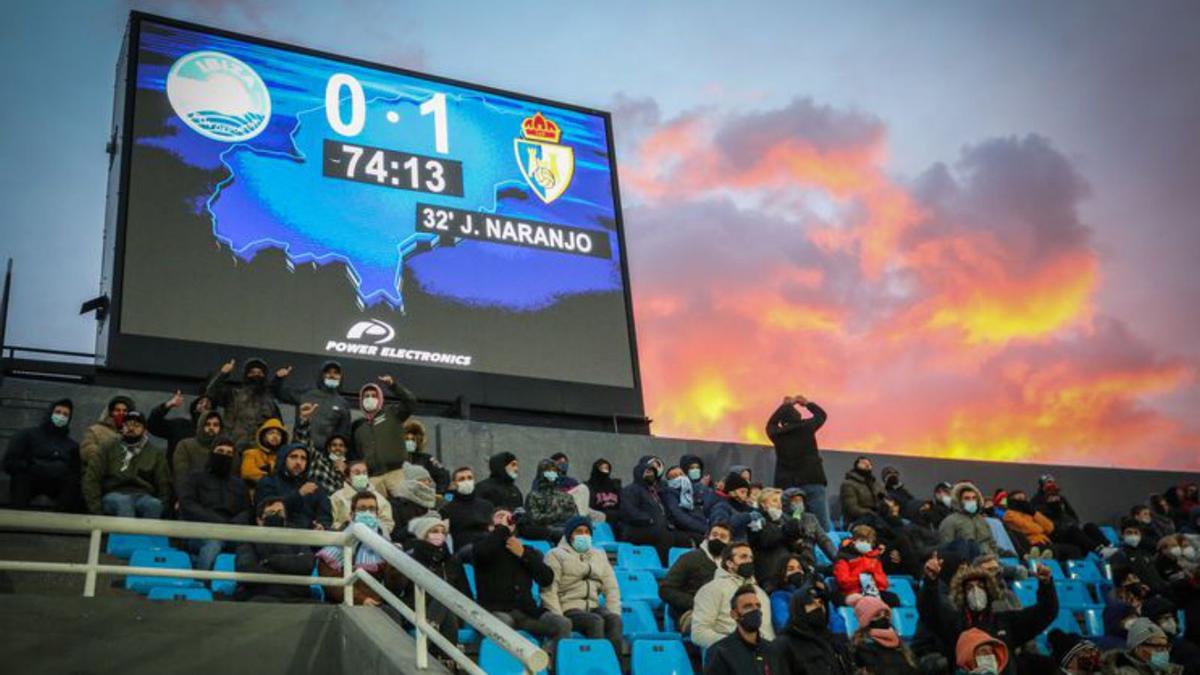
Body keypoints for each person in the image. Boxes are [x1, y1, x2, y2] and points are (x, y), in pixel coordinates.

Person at [919, 555, 1058, 667]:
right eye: (969, 588)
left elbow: (1045, 612)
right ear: (962, 593)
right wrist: (930, 582)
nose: (975, 591)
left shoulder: (1006, 621)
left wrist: (1046, 585)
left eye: (980, 586)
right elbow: (929, 611)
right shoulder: (954, 622)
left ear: (989, 590)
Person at [474, 507, 572, 656]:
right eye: (500, 517)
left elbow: (546, 579)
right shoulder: (481, 546)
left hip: (527, 612)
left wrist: (523, 554)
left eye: (509, 518)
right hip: (497, 610)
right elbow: (483, 553)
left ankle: (548, 664)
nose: (505, 520)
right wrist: (501, 530)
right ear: (490, 526)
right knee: (504, 623)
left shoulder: (526, 551)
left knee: (562, 624)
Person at [542, 517, 623, 656]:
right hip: (568, 607)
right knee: (595, 622)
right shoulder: (555, 554)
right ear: (569, 535)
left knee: (614, 620)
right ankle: (595, 665)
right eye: (579, 532)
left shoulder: (599, 555)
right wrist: (559, 617)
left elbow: (611, 588)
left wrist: (613, 611)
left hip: (593, 607)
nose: (583, 535)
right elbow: (550, 589)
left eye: (587, 532)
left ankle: (614, 667)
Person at [316, 491, 403, 606]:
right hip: (347, 605)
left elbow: (395, 587)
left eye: (372, 509)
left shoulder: (385, 544)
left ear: (377, 515)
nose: (367, 513)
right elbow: (331, 582)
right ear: (352, 514)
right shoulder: (336, 543)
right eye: (362, 509)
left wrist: (395, 563)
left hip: (380, 606)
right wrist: (361, 600)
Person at [400, 516, 473, 653]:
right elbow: (406, 592)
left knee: (444, 603)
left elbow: (465, 593)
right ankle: (449, 660)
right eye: (434, 531)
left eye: (442, 532)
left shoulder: (453, 561)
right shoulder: (411, 559)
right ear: (423, 534)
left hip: (451, 612)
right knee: (442, 601)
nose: (439, 535)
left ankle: (425, 645)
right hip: (418, 611)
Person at [177, 436, 250, 571]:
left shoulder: (239, 484)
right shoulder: (195, 478)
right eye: (220, 452)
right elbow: (187, 505)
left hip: (232, 531)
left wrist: (233, 525)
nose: (224, 456)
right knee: (213, 544)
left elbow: (246, 510)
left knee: (249, 547)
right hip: (199, 531)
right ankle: (202, 584)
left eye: (229, 454)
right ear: (212, 453)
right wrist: (217, 521)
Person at [82, 411, 169, 519]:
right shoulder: (107, 448)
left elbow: (164, 484)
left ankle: (148, 536)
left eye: (137, 425)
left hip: (143, 496)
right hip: (113, 495)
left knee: (154, 505)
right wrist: (97, 512)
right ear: (122, 428)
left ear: (145, 431)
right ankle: (126, 536)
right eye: (127, 424)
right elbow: (91, 479)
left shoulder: (155, 453)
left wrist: (163, 507)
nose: (131, 428)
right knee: (124, 503)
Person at [691, 542, 775, 648]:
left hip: (764, 655)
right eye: (743, 557)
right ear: (729, 563)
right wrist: (738, 645)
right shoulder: (711, 589)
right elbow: (699, 633)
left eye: (751, 558)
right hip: (731, 656)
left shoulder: (761, 593)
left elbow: (768, 632)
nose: (749, 561)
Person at [764, 394, 830, 530]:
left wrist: (785, 406)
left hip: (790, 487)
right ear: (798, 417)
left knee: (795, 523)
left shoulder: (778, 434)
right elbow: (821, 415)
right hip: (813, 481)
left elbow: (770, 424)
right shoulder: (806, 427)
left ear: (783, 421)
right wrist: (806, 403)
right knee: (821, 525)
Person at [3, 397, 80, 511]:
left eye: (65, 414)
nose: (61, 416)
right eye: (58, 412)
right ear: (50, 413)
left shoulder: (72, 445)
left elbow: (76, 470)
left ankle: (61, 523)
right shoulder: (27, 435)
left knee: (73, 485)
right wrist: (29, 466)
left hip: (58, 483)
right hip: (30, 479)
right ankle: (17, 519)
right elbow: (9, 462)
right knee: (21, 479)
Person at [235, 497, 315, 602]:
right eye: (271, 513)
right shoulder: (249, 541)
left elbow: (307, 565)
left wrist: (268, 561)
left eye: (280, 513)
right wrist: (291, 567)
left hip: (299, 598)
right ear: (259, 520)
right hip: (263, 597)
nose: (277, 516)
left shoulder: (297, 538)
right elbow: (246, 570)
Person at [769, 578, 854, 675]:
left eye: (821, 603)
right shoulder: (783, 644)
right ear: (798, 608)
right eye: (810, 603)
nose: (818, 606)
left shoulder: (831, 641)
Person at [619, 455, 693, 564]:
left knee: (685, 539)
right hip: (636, 529)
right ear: (639, 473)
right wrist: (649, 520)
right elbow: (629, 512)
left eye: (652, 472)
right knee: (664, 535)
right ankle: (663, 566)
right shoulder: (631, 490)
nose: (651, 475)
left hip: (656, 528)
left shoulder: (654, 492)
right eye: (647, 472)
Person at [659, 522, 732, 631]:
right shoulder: (689, 558)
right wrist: (697, 602)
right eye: (714, 535)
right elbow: (665, 589)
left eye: (723, 537)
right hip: (691, 613)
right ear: (707, 537)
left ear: (730, 542)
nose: (717, 539)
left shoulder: (731, 565)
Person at [353, 375, 417, 497]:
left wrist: (393, 385)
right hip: (373, 478)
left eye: (373, 396)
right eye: (366, 396)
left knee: (404, 509)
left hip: (397, 473)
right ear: (361, 401)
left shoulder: (392, 413)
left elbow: (411, 402)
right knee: (376, 511)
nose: (370, 398)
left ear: (380, 398)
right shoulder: (359, 429)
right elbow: (359, 454)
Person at [270, 360, 351, 454]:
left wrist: (337, 457)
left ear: (341, 377)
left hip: (324, 456)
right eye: (328, 372)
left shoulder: (343, 404)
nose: (332, 375)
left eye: (336, 373)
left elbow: (343, 435)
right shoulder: (306, 394)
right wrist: (278, 379)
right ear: (322, 375)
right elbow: (278, 393)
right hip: (300, 450)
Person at [704, 584, 781, 675]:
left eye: (758, 606)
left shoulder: (772, 650)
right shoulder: (719, 652)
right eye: (748, 606)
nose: (755, 610)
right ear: (734, 614)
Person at [206, 358, 281, 449]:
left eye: (260, 373)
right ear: (246, 375)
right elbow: (211, 393)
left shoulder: (269, 402)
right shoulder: (233, 395)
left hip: (258, 452)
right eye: (252, 372)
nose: (256, 375)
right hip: (231, 448)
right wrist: (223, 374)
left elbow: (277, 428)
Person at [253, 443, 332, 530]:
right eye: (293, 457)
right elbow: (269, 510)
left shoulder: (314, 486)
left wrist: (322, 525)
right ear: (283, 459)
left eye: (303, 458)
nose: (298, 462)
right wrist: (299, 494)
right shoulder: (268, 481)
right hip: (278, 534)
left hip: (310, 536)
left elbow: (325, 514)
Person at [848, 594, 919, 674]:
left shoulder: (898, 641)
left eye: (886, 614)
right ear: (866, 622)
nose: (883, 618)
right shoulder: (863, 646)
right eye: (877, 615)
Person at [751, 488, 804, 589]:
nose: (779, 505)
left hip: (787, 573)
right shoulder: (756, 519)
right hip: (769, 576)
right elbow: (765, 540)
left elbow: (796, 548)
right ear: (763, 504)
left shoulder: (783, 520)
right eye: (774, 501)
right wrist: (786, 530)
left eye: (780, 501)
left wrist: (796, 540)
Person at [769, 554, 837, 633]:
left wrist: (840, 636)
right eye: (791, 569)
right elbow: (784, 624)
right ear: (782, 574)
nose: (797, 571)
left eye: (799, 568)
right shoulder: (779, 596)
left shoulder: (815, 591)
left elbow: (834, 617)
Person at [832, 524, 895, 605]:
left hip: (872, 592)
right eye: (862, 540)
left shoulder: (874, 558)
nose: (865, 543)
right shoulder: (844, 557)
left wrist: (873, 577)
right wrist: (862, 578)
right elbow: (843, 582)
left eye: (868, 541)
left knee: (893, 599)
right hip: (852, 592)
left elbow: (884, 583)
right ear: (853, 540)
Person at [331, 459, 396, 537]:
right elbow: (331, 523)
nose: (361, 476)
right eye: (357, 473)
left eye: (364, 473)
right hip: (345, 539)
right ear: (347, 477)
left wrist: (375, 526)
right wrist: (346, 525)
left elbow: (388, 524)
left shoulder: (380, 499)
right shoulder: (336, 497)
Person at [147, 390, 213, 465]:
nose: (204, 405)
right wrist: (168, 405)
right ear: (194, 408)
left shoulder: (216, 433)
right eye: (201, 402)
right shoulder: (180, 425)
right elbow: (153, 425)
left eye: (208, 404)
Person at [521, 458, 580, 543]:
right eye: (548, 470)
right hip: (547, 532)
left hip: (567, 528)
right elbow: (535, 519)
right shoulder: (533, 496)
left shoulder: (566, 496)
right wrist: (557, 515)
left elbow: (575, 516)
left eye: (554, 471)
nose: (552, 473)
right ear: (541, 473)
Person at [1003, 489, 1071, 560]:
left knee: (1073, 550)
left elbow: (1050, 527)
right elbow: (1032, 529)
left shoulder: (1031, 513)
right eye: (1019, 499)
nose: (1023, 501)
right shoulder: (1009, 514)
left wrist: (1034, 513)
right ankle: (1039, 561)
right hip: (1032, 543)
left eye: (1024, 499)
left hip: (1046, 542)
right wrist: (1041, 528)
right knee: (1052, 550)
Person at [1110, 517, 1169, 596]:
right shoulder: (1119, 555)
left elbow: (1155, 576)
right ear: (1122, 535)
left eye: (1136, 533)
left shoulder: (1144, 553)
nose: (1133, 536)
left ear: (1140, 535)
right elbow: (1119, 581)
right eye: (1129, 533)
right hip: (1142, 595)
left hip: (1160, 591)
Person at [1100, 617, 1183, 674]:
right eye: (1156, 646)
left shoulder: (1170, 671)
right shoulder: (1122, 672)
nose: (1163, 651)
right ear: (1137, 648)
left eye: (1166, 647)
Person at [439, 466, 494, 551]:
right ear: (454, 484)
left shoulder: (487, 506)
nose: (466, 481)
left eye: (469, 478)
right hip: (462, 554)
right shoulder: (447, 510)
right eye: (461, 479)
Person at [782, 488, 837, 568]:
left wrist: (837, 558)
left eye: (800, 501)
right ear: (786, 503)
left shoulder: (810, 518)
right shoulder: (781, 518)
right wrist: (795, 519)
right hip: (791, 564)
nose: (798, 504)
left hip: (810, 562)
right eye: (795, 501)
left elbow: (823, 540)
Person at [938, 481, 998, 556]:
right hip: (967, 564)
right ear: (959, 501)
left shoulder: (981, 520)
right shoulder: (949, 521)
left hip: (989, 561)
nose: (971, 501)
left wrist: (996, 558)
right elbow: (946, 548)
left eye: (974, 498)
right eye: (967, 498)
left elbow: (991, 543)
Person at [1142, 595, 1200, 671]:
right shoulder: (1142, 646)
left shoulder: (1186, 650)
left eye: (1172, 617)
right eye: (1165, 618)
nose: (1171, 621)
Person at [172, 410, 224, 490]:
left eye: (215, 425)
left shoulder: (226, 448)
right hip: (193, 493)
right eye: (207, 424)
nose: (211, 427)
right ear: (201, 425)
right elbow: (182, 475)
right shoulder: (185, 446)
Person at [80, 395, 134, 470]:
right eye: (117, 410)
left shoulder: (135, 434)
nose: (121, 413)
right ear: (111, 412)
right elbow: (86, 451)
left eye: (125, 411)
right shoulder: (95, 430)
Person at [389, 462, 440, 540]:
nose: (427, 484)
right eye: (422, 480)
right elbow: (395, 536)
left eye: (429, 480)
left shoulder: (432, 504)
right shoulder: (396, 505)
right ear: (409, 482)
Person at [239, 417, 290, 489]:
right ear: (263, 436)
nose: (275, 436)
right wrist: (271, 478)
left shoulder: (284, 457)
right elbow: (247, 473)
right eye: (271, 433)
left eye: (278, 434)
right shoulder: (251, 453)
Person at [708, 471, 759, 540]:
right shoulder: (721, 507)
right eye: (742, 492)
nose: (745, 495)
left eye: (746, 493)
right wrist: (747, 517)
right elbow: (720, 527)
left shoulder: (747, 508)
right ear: (732, 492)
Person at [663, 465, 709, 542]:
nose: (679, 478)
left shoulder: (689, 493)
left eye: (681, 474)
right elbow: (679, 517)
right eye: (674, 476)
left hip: (700, 529)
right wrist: (704, 529)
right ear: (669, 481)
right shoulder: (669, 494)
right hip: (687, 532)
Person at [402, 420, 450, 493]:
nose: (409, 442)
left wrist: (440, 492)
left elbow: (443, 475)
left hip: (421, 496)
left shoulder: (427, 458)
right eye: (407, 439)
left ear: (418, 441)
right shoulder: (395, 459)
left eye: (412, 440)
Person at [840, 455, 885, 524]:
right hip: (857, 521)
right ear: (856, 466)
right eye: (863, 463)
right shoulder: (848, 484)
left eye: (869, 464)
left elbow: (885, 501)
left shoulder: (877, 485)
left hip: (877, 518)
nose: (867, 465)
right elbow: (852, 509)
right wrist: (871, 513)